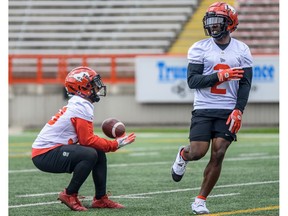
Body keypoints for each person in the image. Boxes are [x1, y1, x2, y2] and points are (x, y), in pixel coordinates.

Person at [171, 2, 253, 214]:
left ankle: (200, 200)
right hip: (204, 108)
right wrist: (220, 76)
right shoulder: (199, 48)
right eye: (211, 22)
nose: (213, 26)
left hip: (228, 109)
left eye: (218, 22)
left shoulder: (242, 49)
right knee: (197, 152)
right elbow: (192, 81)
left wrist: (239, 109)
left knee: (219, 153)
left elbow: (245, 84)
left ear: (230, 23)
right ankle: (183, 154)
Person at [31, 66, 136, 211]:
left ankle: (100, 198)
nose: (97, 87)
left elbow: (87, 139)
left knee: (97, 152)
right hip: (44, 154)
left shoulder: (80, 103)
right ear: (81, 87)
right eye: (92, 84)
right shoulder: (81, 105)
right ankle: (69, 194)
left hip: (50, 151)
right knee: (89, 153)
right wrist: (114, 144)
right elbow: (87, 140)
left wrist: (110, 145)